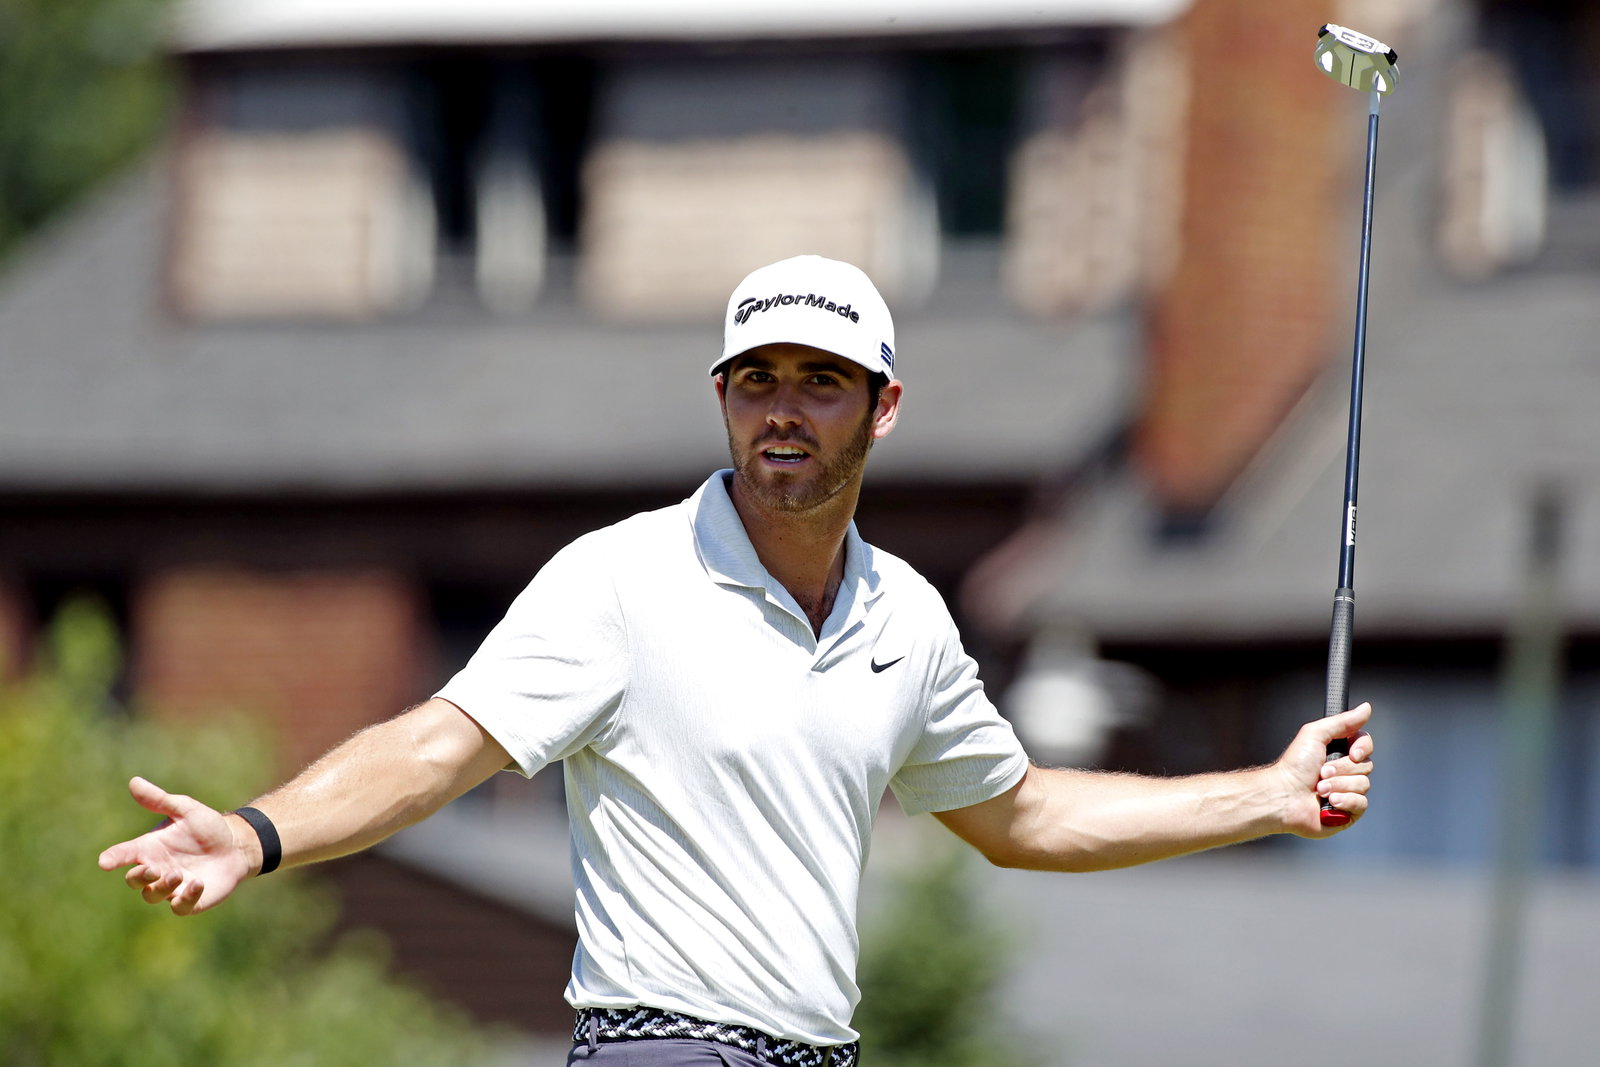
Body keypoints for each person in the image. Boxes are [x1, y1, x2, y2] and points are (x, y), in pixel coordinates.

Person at [99, 254, 1375, 1067]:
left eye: (820, 382)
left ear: (880, 407)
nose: (781, 406)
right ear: (720, 396)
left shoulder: (909, 619)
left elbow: (1022, 810)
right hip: (663, 1048)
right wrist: (258, 833)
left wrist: (1264, 794)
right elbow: (439, 741)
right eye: (754, 376)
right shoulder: (620, 578)